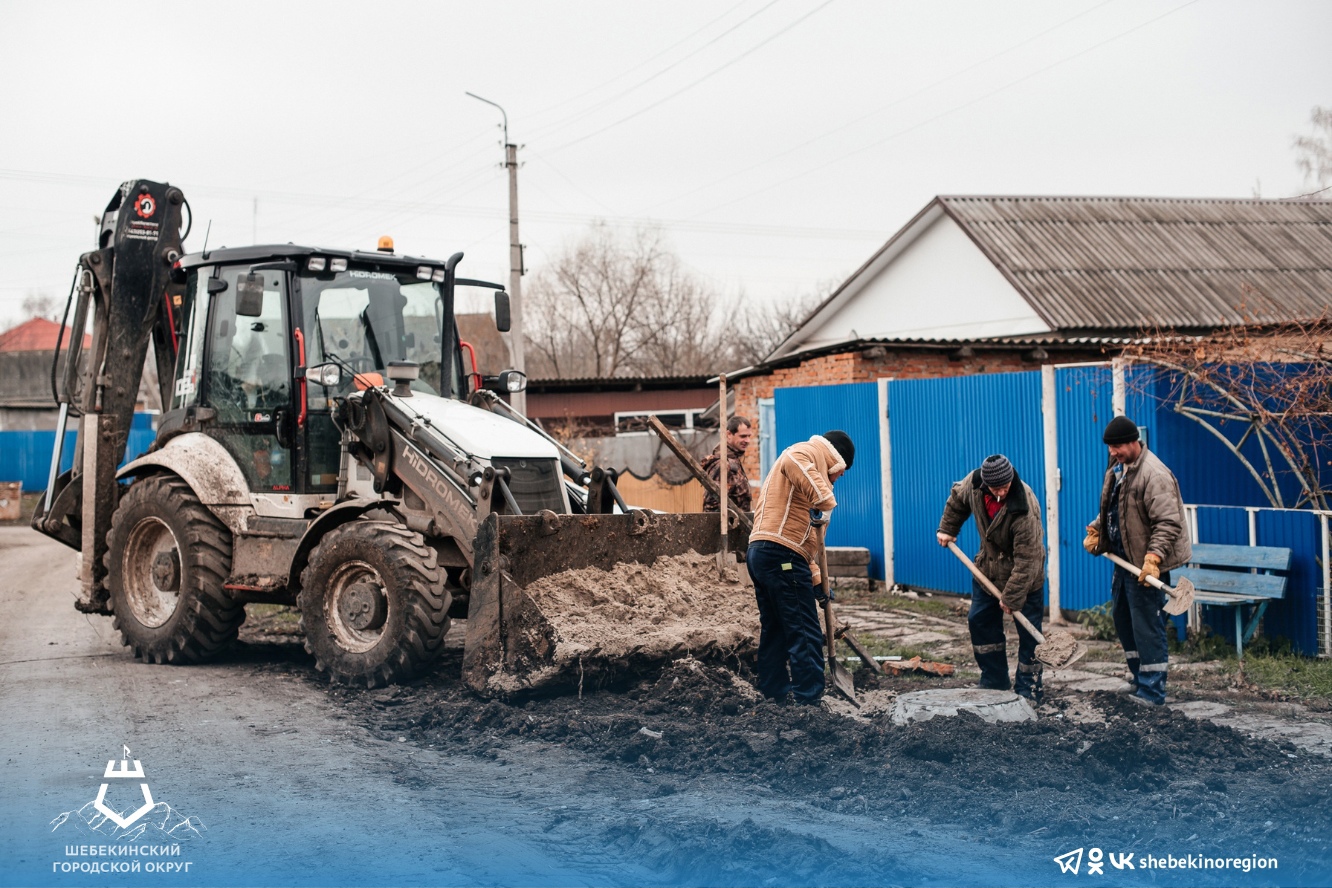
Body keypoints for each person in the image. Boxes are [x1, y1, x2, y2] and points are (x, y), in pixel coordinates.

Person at [1083, 416, 1191, 707]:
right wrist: (1098, 529)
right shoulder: (1120, 467)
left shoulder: (1153, 474)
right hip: (1124, 560)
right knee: (1124, 620)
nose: (1112, 452)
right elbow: (1118, 509)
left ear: (1134, 442)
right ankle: (1139, 679)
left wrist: (1153, 559)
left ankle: (1153, 691)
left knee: (1146, 626)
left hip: (1145, 565)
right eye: (1109, 447)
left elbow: (1168, 523)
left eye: (1117, 446)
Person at [746, 430, 855, 706]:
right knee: (804, 629)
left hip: (764, 554)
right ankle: (810, 700)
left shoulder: (811, 478)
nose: (837, 480)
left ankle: (774, 694)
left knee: (777, 629)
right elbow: (791, 460)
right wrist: (827, 501)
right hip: (781, 553)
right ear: (837, 463)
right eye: (840, 474)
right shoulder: (806, 452)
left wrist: (817, 582)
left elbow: (810, 545)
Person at [936, 454, 1047, 703]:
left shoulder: (1024, 506)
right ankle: (994, 679)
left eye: (1005, 487)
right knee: (980, 621)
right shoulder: (974, 483)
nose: (1000, 493)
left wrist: (1012, 596)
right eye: (996, 488)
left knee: (1030, 637)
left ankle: (1028, 689)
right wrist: (947, 529)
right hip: (987, 571)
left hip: (1025, 579)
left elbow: (1027, 560)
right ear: (985, 484)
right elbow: (957, 501)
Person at [701, 416, 755, 513]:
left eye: (749, 436)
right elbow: (711, 508)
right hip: (728, 527)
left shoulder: (734, 461)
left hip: (741, 526)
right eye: (743, 436)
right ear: (729, 434)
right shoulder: (722, 465)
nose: (747, 441)